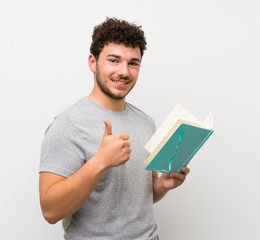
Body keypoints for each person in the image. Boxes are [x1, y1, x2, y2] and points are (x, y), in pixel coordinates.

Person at [39, 17, 190, 240]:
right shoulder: (67, 124)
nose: (124, 72)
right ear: (93, 62)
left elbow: (138, 200)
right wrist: (100, 162)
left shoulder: (146, 122)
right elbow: (50, 211)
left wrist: (162, 185)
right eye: (114, 60)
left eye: (133, 63)